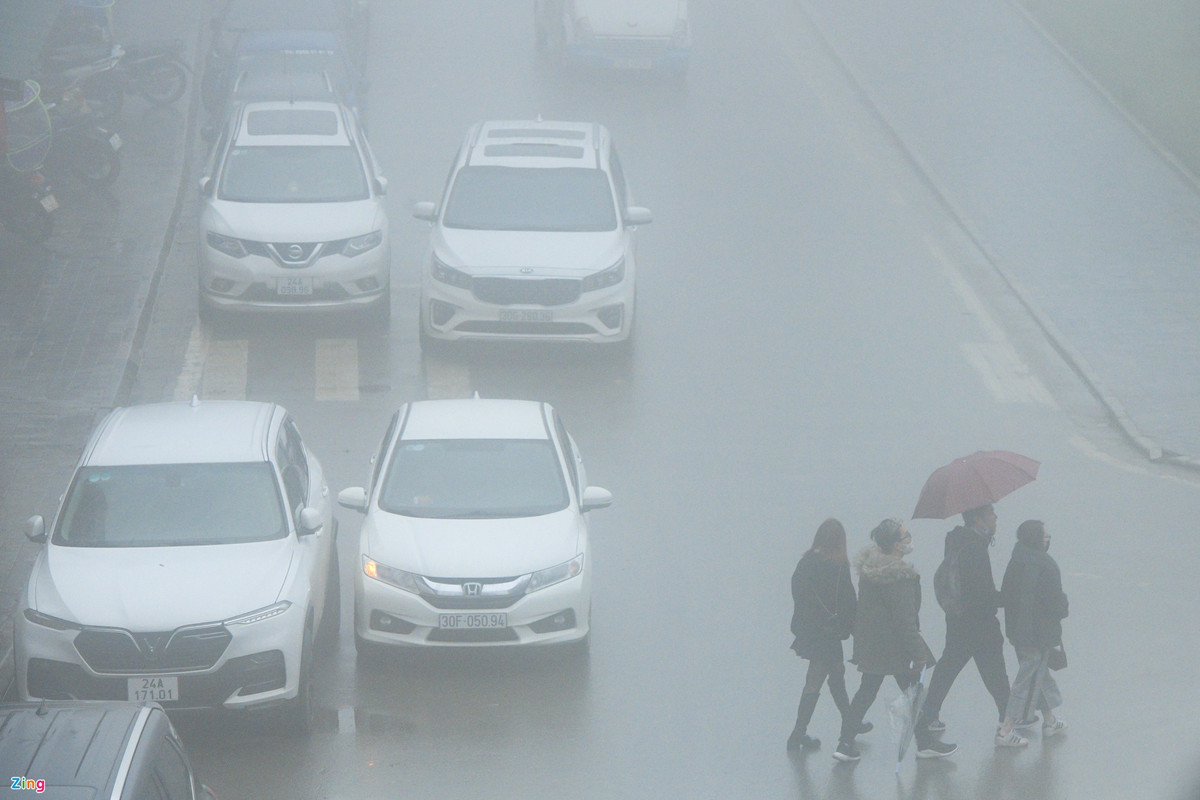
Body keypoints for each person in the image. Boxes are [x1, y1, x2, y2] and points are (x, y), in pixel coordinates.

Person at [832, 519, 956, 762]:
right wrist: (918, 653)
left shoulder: (870, 570)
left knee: (868, 691)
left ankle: (845, 743)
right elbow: (904, 619)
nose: (910, 538)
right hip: (896, 647)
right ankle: (925, 743)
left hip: (873, 644)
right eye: (905, 535)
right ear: (896, 544)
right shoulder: (899, 576)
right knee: (912, 692)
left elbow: (866, 611)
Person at [917, 504, 1015, 740]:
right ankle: (1009, 717)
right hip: (978, 622)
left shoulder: (957, 541)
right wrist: (1005, 599)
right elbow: (981, 592)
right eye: (991, 513)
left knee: (949, 667)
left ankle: (929, 715)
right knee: (994, 671)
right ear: (977, 519)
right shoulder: (975, 549)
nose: (995, 517)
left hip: (957, 618)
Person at [787, 518, 865, 750]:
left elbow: (798, 595)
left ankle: (848, 722)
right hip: (829, 633)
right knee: (824, 677)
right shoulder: (839, 565)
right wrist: (851, 628)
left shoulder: (806, 562)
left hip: (811, 632)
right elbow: (848, 600)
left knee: (828, 675)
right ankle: (801, 734)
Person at [995, 520, 1068, 746]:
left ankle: (1050, 721)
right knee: (1029, 677)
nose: (1048, 540)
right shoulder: (1045, 565)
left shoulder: (1016, 560)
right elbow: (1055, 604)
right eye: (1046, 536)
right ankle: (1005, 730)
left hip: (1019, 631)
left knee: (1038, 672)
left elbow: (1007, 595)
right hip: (1038, 634)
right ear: (1037, 539)